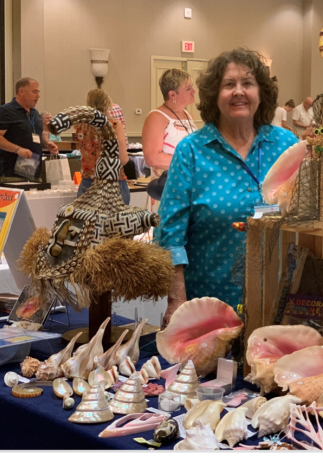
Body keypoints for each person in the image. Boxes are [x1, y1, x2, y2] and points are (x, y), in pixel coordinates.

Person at [155, 48, 298, 328]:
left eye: (248, 83)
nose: (238, 91)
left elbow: (307, 218)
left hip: (280, 302)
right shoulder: (192, 151)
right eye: (228, 84)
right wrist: (176, 302)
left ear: (261, 92)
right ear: (214, 95)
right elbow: (170, 234)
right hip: (210, 305)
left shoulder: (286, 145)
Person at [0, 78, 59, 182]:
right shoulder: (6, 111)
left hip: (35, 172)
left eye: (38, 92)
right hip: (12, 174)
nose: (38, 96)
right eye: (35, 92)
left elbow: (38, 133)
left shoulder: (35, 113)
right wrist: (18, 149)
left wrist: (47, 143)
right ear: (21, 91)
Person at [74, 88, 131, 204]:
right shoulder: (114, 125)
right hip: (113, 182)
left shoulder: (80, 126)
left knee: (86, 216)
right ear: (107, 104)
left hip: (88, 181)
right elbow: (123, 159)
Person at [142, 68, 197, 177]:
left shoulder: (189, 116)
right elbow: (152, 158)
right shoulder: (156, 117)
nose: (193, 91)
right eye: (188, 89)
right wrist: (191, 162)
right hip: (169, 181)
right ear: (172, 95)